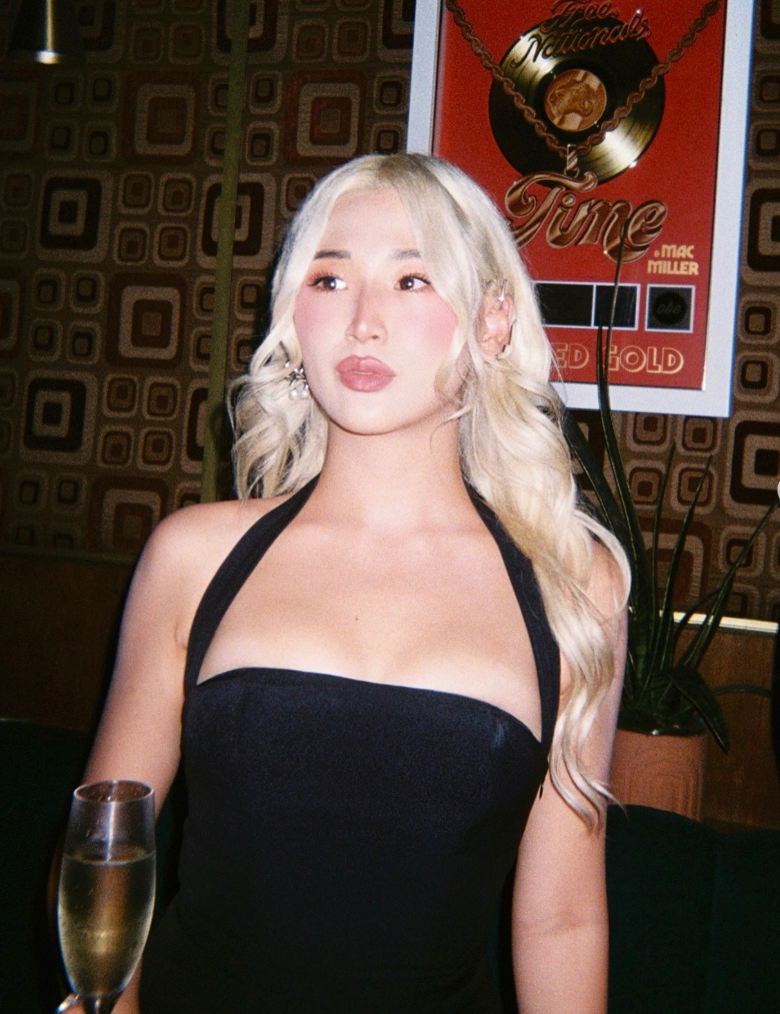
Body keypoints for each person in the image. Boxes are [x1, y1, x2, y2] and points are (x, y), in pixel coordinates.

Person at [80, 152, 628, 1014]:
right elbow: (108, 847)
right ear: (293, 313)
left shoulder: (571, 583)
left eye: (412, 280)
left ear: (493, 321)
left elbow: (562, 918)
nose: (362, 323)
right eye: (330, 280)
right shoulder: (194, 558)